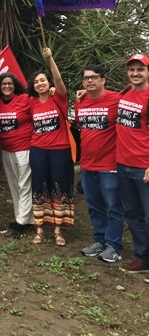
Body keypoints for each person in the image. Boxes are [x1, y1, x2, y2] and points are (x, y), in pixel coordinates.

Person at [74, 65, 124, 262]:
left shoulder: (117, 99)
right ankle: (100, 240)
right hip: (87, 164)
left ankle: (114, 245)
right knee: (94, 205)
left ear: (103, 80)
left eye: (94, 77)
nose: (90, 81)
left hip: (110, 164)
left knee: (113, 206)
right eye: (86, 78)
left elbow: (137, 89)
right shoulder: (80, 101)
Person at [28, 48, 74, 246]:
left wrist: (50, 59)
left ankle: (58, 230)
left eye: (43, 80)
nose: (39, 84)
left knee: (59, 187)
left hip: (60, 150)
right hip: (38, 149)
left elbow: (60, 81)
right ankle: (39, 229)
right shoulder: (31, 103)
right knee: (39, 187)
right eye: (36, 82)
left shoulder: (59, 98)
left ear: (49, 83)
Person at [0, 73, 35, 238]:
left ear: (15, 85)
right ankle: (25, 219)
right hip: (6, 150)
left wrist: (51, 89)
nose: (7, 86)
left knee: (24, 183)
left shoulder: (24, 99)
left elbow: (41, 101)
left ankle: (21, 222)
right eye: (3, 84)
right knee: (15, 185)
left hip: (24, 148)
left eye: (10, 83)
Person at [116, 54, 149, 275]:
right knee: (132, 213)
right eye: (132, 69)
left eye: (140, 69)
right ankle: (143, 258)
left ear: (148, 72)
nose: (135, 73)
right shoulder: (126, 91)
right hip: (122, 164)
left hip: (143, 168)